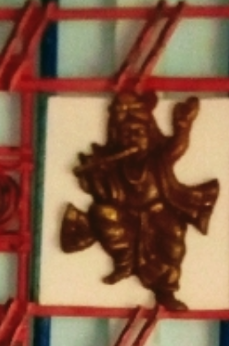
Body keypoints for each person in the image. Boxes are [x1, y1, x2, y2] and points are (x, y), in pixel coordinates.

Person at [59, 90, 218, 310]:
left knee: (173, 243)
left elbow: (177, 148)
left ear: (150, 134)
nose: (132, 139)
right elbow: (100, 194)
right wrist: (94, 175)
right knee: (102, 214)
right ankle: (124, 261)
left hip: (159, 212)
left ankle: (166, 290)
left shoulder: (157, 159)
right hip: (126, 215)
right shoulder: (115, 167)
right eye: (125, 134)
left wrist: (183, 127)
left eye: (138, 133)